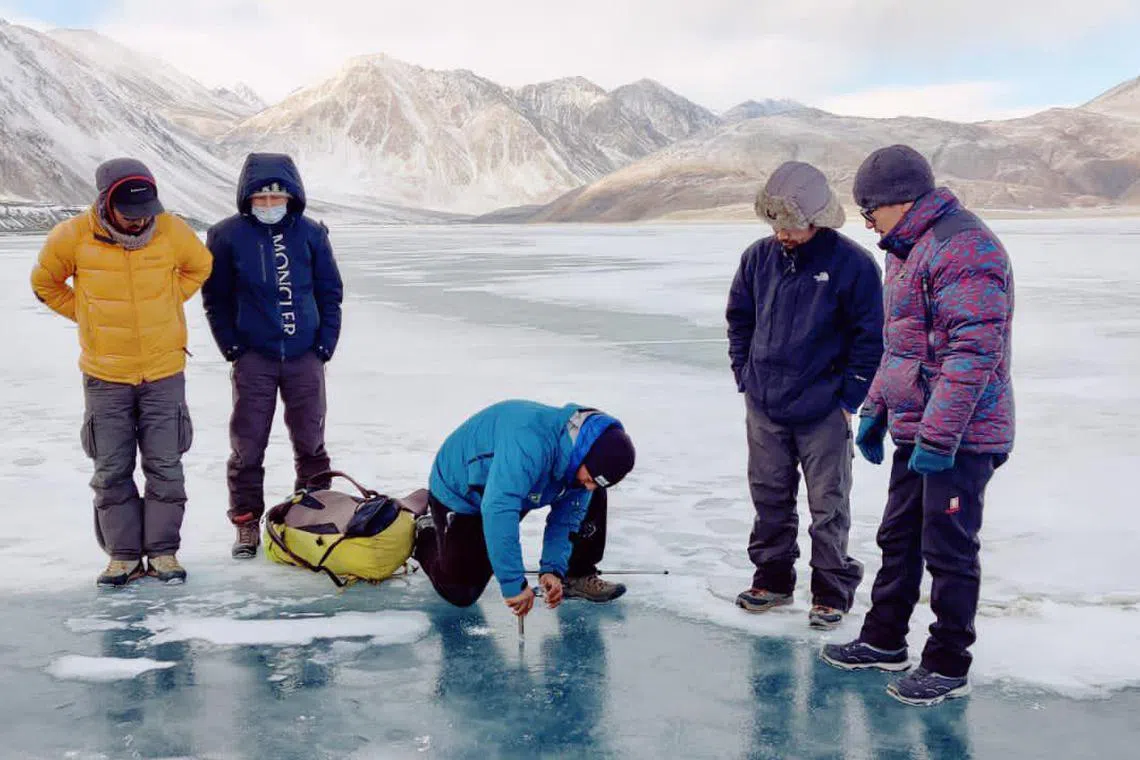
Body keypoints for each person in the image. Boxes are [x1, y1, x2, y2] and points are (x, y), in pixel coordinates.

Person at [821, 145, 1015, 706]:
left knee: (950, 548)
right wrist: (877, 408)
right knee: (899, 537)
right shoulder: (905, 249)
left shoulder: (965, 248)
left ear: (899, 202)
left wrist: (938, 436)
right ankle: (884, 638)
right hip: (918, 424)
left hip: (963, 435)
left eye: (870, 211)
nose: (867, 224)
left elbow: (972, 352)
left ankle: (948, 662)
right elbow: (901, 346)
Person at [30, 158, 213, 586]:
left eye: (146, 211)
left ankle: (164, 553)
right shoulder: (72, 236)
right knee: (111, 468)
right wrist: (87, 315)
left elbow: (199, 266)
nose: (139, 221)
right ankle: (124, 556)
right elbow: (45, 284)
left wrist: (169, 301)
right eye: (129, 214)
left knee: (165, 465)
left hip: (164, 370)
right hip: (105, 375)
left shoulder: (171, 230)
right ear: (106, 203)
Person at [726, 161, 884, 629]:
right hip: (765, 403)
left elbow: (869, 338)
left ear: (816, 218)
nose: (782, 234)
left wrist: (849, 398)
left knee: (827, 503)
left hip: (823, 410)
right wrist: (745, 374)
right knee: (769, 497)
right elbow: (740, 320)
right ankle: (772, 581)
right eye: (775, 223)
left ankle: (831, 591)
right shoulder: (758, 259)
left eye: (790, 225)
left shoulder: (852, 265)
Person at [202, 153, 344, 559]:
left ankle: (315, 517)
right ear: (246, 199)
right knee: (248, 446)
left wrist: (323, 346)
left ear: (292, 195)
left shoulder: (312, 234)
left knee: (311, 443)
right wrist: (232, 347)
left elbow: (330, 293)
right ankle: (246, 524)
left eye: (276, 196)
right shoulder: (226, 236)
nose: (268, 204)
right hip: (254, 357)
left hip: (304, 356)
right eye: (260, 198)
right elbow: (216, 298)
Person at [412, 400, 636, 615]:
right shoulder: (529, 447)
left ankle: (575, 573)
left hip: (518, 487)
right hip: (461, 490)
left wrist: (552, 569)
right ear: (583, 455)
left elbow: (566, 520)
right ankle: (425, 533)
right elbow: (500, 510)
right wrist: (514, 585)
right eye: (589, 477)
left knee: (593, 493)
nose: (588, 487)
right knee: (460, 591)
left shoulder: (583, 455)